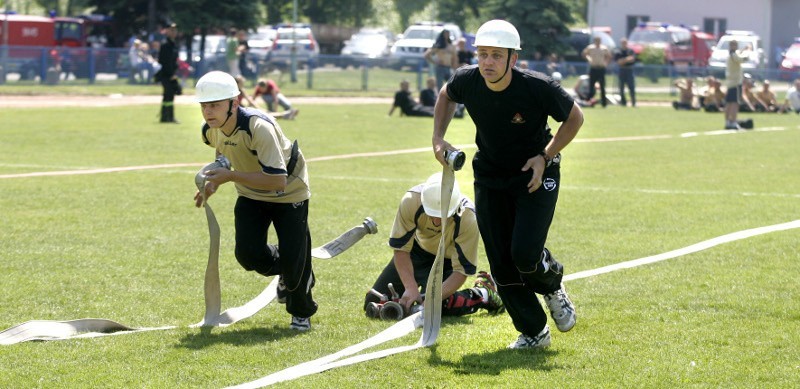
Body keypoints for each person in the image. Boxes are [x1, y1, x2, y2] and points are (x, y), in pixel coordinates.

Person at [431, 19, 583, 349]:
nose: (487, 62)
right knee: (501, 262)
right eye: (483, 54)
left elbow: (575, 117)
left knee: (525, 255)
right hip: (490, 175)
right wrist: (438, 137)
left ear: (513, 59)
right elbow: (446, 95)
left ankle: (553, 285)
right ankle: (534, 332)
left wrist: (545, 155)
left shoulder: (537, 87)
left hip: (535, 172)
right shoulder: (467, 80)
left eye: (496, 56)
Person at [193, 71, 317, 331]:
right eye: (204, 105)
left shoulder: (259, 127)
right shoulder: (210, 130)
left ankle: (301, 312)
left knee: (296, 262)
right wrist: (214, 182)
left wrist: (229, 177)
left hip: (289, 194)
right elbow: (223, 150)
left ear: (234, 103)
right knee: (248, 256)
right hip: (250, 193)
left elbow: (277, 180)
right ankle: (292, 265)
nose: (208, 112)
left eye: (215, 105)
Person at [364, 173, 504, 318]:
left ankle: (483, 293)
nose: (437, 222)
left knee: (437, 308)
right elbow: (401, 249)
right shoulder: (412, 200)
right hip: (417, 252)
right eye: (432, 214)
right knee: (374, 300)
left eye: (442, 216)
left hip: (447, 261)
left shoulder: (468, 217)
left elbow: (461, 271)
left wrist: (432, 300)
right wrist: (410, 287)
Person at [724, 40, 751, 129]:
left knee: (729, 103)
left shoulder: (731, 55)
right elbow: (743, 59)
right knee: (735, 103)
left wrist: (743, 49)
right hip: (735, 83)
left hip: (730, 82)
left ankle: (728, 122)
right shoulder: (733, 56)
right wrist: (748, 51)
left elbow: (738, 53)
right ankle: (733, 122)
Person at [156, 23, 180, 123]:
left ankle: (166, 117)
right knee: (169, 95)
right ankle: (168, 117)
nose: (174, 32)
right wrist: (171, 74)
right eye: (171, 30)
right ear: (167, 31)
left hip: (171, 74)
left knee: (169, 96)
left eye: (175, 30)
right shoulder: (165, 44)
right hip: (166, 74)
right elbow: (164, 61)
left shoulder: (173, 44)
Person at [582, 35, 611, 108]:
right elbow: (584, 53)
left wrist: (605, 63)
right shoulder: (590, 48)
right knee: (591, 86)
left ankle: (604, 104)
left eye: (599, 40)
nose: (598, 42)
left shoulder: (604, 48)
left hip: (601, 69)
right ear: (594, 41)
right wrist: (589, 59)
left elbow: (608, 56)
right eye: (596, 40)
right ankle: (589, 102)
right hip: (593, 68)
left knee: (602, 86)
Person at [614, 38, 636, 107]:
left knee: (631, 87)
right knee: (621, 88)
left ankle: (633, 102)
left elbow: (632, 59)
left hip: (629, 70)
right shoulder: (618, 52)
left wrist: (623, 60)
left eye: (625, 43)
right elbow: (618, 62)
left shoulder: (630, 51)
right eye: (623, 43)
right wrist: (627, 59)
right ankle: (623, 103)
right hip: (622, 70)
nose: (624, 44)